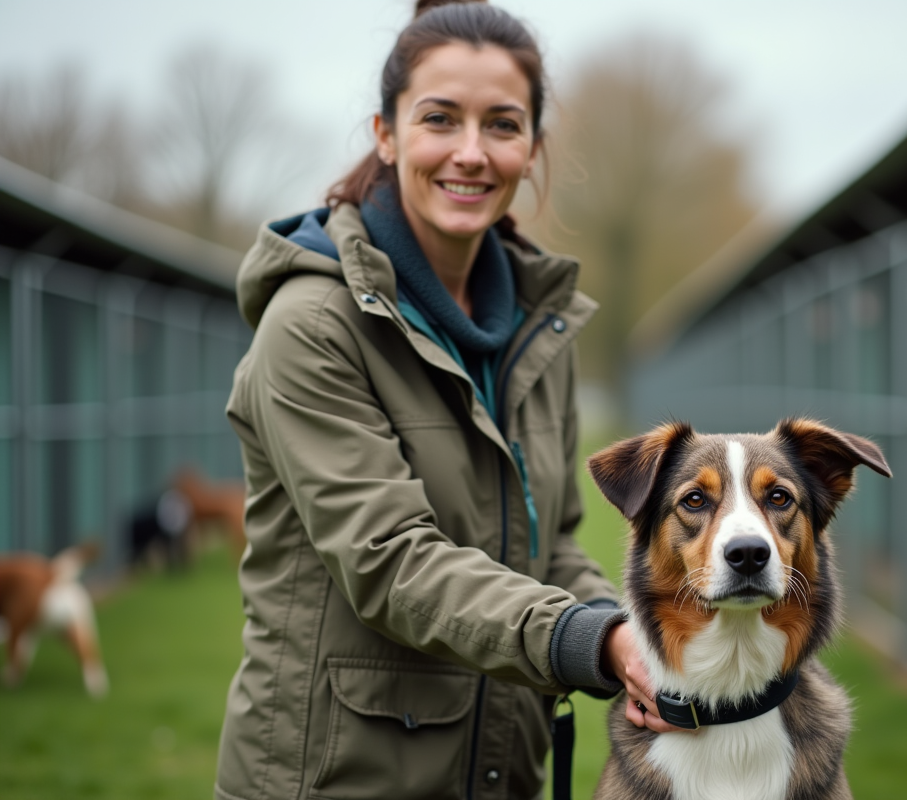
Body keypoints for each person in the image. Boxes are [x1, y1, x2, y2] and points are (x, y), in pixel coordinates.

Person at [214, 2, 680, 799]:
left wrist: (640, 634)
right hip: (334, 778)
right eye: (440, 119)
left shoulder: (542, 328)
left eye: (502, 125)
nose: (471, 153)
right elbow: (391, 561)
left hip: (499, 772)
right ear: (386, 134)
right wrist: (589, 642)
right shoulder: (311, 326)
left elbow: (553, 545)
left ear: (532, 147)